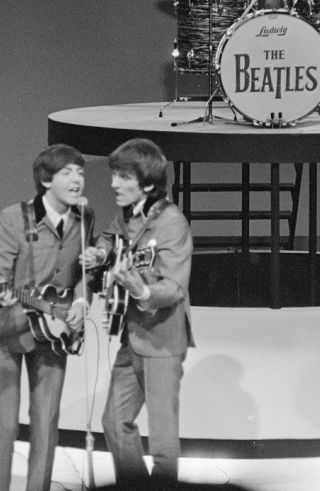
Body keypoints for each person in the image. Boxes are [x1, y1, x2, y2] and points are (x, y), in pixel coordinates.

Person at [0, 144, 94, 491]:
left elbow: (84, 276)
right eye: (67, 173)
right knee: (5, 424)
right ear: (46, 180)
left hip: (54, 331)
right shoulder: (13, 218)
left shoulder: (85, 219)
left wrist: (81, 303)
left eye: (80, 172)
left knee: (46, 423)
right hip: (6, 328)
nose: (77, 179)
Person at [81, 138, 194, 488]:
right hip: (132, 336)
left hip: (161, 339)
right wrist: (99, 255)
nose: (113, 184)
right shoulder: (130, 213)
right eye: (114, 175)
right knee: (115, 422)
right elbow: (109, 238)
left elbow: (174, 287)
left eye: (122, 177)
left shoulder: (172, 222)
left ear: (147, 183)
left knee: (162, 441)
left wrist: (142, 291)